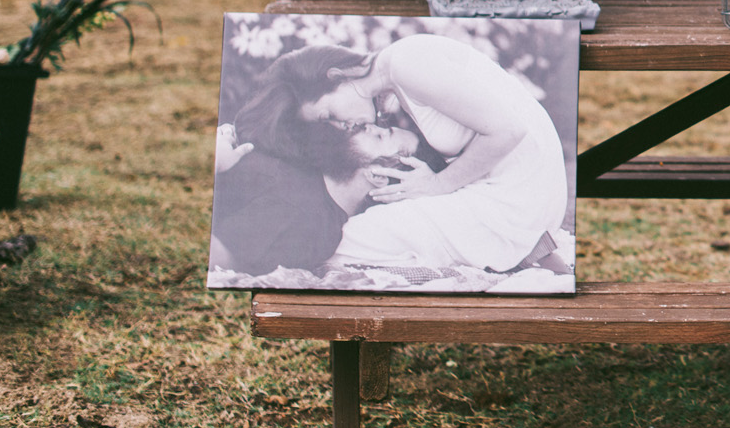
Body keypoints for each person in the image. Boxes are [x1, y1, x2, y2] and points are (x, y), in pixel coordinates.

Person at [239, 36, 570, 275]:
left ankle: (251, 255)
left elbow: (509, 132)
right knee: (393, 212)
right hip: (520, 186)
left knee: (357, 233)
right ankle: (534, 255)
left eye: (329, 116)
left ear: (336, 77)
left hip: (520, 193)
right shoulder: (397, 76)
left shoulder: (407, 64)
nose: (343, 126)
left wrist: (439, 185)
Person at [208, 119, 424, 277]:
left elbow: (218, 258)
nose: (369, 125)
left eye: (380, 136)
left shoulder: (305, 219)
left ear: (377, 175)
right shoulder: (314, 165)